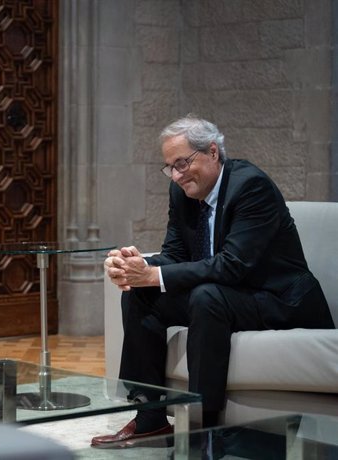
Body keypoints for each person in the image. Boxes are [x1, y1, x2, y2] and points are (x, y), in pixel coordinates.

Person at [91, 116, 334, 449]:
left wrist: (154, 274)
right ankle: (150, 418)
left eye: (182, 163)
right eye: (170, 167)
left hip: (280, 299)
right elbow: (175, 255)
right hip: (231, 296)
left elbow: (232, 266)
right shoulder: (182, 193)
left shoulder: (251, 186)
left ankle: (205, 432)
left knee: (207, 297)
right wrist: (139, 267)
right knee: (140, 293)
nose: (177, 175)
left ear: (213, 152)